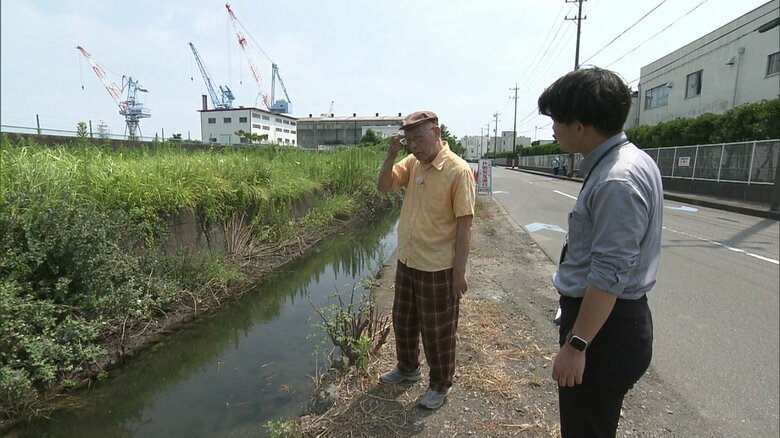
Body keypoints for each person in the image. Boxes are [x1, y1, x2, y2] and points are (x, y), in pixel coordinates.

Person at [537, 67, 663, 437]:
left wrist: (577, 345)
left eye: (557, 119)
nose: (553, 128)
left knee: (585, 428)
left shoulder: (616, 180)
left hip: (604, 332)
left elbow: (609, 275)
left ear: (580, 126)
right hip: (611, 324)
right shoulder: (627, 161)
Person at [377, 110, 475, 410]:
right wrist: (391, 155)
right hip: (408, 260)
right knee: (403, 320)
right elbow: (384, 186)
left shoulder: (458, 170)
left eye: (419, 138)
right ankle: (408, 367)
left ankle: (440, 383)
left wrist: (459, 273)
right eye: (409, 140)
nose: (414, 146)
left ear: (436, 133)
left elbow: (465, 226)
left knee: (438, 330)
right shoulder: (412, 163)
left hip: (438, 266)